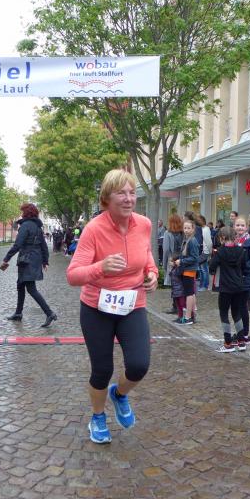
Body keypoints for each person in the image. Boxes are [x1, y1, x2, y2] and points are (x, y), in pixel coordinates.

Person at [66, 169, 158, 444]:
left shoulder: (144, 224)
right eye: (121, 193)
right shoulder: (94, 229)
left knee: (139, 365)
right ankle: (97, 417)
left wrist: (152, 274)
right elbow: (73, 275)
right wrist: (100, 267)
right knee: (102, 369)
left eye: (132, 192)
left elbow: (147, 257)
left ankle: (119, 394)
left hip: (132, 304)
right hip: (97, 308)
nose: (129, 198)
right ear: (106, 198)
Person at [1, 203, 56, 326]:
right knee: (20, 285)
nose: (21, 214)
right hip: (33, 259)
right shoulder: (37, 227)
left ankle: (49, 313)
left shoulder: (25, 225)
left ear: (26, 213)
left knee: (31, 288)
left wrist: (6, 258)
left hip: (27, 260)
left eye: (23, 212)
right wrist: (45, 261)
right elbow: (43, 245)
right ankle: (18, 313)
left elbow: (18, 244)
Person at [209, 226, 248, 353]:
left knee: (224, 313)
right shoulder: (241, 250)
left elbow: (212, 267)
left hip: (225, 287)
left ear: (222, 238)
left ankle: (228, 343)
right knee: (236, 313)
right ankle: (241, 341)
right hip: (238, 286)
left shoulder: (220, 252)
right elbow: (244, 268)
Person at [233, 215, 250, 348]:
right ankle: (239, 332)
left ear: (246, 227)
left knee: (243, 307)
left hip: (244, 278)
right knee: (235, 306)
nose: (240, 228)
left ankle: (245, 334)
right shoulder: (234, 240)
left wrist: (242, 268)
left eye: (242, 225)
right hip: (234, 278)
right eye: (238, 225)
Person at [172, 219, 200, 325]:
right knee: (190, 293)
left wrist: (181, 261)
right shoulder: (186, 239)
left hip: (189, 270)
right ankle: (191, 315)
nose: (186, 230)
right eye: (185, 228)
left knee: (189, 293)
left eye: (188, 228)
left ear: (193, 229)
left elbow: (194, 258)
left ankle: (188, 317)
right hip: (186, 269)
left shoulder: (192, 241)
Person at [196, 214, 212, 292]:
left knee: (204, 269)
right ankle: (202, 284)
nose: (197, 221)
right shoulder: (201, 229)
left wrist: (209, 252)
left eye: (199, 220)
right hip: (202, 251)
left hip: (205, 252)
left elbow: (208, 242)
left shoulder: (205, 229)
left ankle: (205, 285)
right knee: (201, 269)